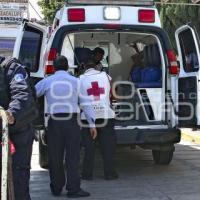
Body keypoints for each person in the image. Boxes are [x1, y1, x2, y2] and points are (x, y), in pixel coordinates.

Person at [35, 56, 97, 198]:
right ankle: (73, 189)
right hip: (71, 122)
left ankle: (56, 188)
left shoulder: (47, 81)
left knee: (54, 156)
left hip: (54, 122)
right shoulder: (76, 81)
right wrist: (92, 124)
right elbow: (86, 104)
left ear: (54, 68)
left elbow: (33, 93)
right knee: (73, 157)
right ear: (67, 67)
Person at [0, 57, 37, 200]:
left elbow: (22, 96)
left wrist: (11, 115)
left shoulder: (12, 68)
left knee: (17, 184)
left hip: (17, 134)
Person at [79, 58, 118, 181]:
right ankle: (110, 174)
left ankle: (87, 174)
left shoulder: (80, 79)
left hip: (87, 117)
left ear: (84, 67)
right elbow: (112, 93)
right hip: (105, 115)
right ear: (97, 67)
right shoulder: (105, 76)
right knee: (108, 147)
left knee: (89, 148)